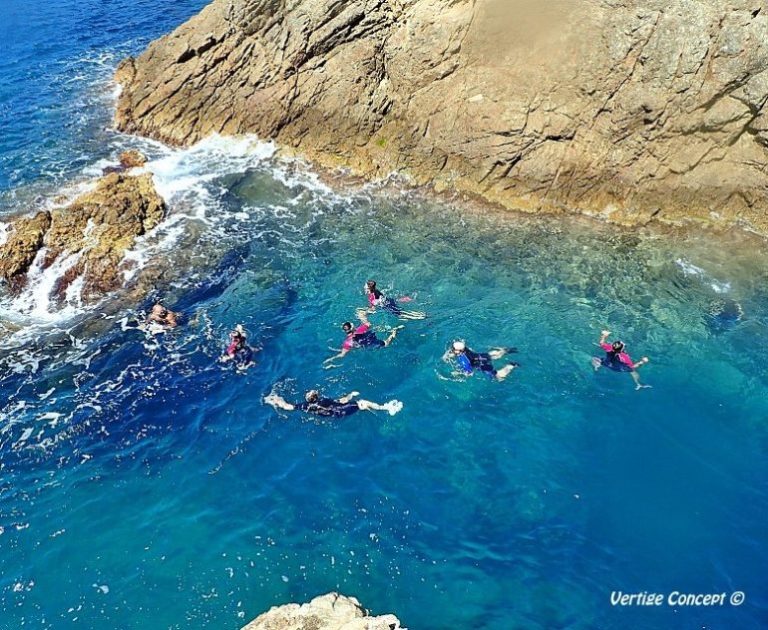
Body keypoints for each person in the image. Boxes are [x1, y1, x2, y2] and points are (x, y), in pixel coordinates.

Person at [324, 310, 401, 364]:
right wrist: (363, 314)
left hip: (367, 347)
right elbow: (368, 324)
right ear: (353, 327)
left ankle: (394, 333)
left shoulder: (347, 342)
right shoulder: (361, 329)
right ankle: (394, 332)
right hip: (373, 340)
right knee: (387, 343)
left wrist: (331, 359)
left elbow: (342, 354)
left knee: (384, 344)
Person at [265, 389, 403, 417]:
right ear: (316, 396)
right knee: (363, 403)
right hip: (341, 410)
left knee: (361, 406)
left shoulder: (306, 406)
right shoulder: (324, 400)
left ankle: (371, 409)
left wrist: (276, 400)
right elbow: (342, 400)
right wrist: (351, 394)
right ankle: (385, 408)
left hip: (333, 414)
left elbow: (288, 407)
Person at [444, 340, 519, 381]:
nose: (452, 350)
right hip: (481, 356)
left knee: (498, 376)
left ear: (459, 351)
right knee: (493, 355)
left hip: (482, 365)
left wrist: (457, 373)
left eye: (454, 349)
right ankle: (508, 350)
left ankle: (511, 365)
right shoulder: (465, 349)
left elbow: (469, 373)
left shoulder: (464, 361)